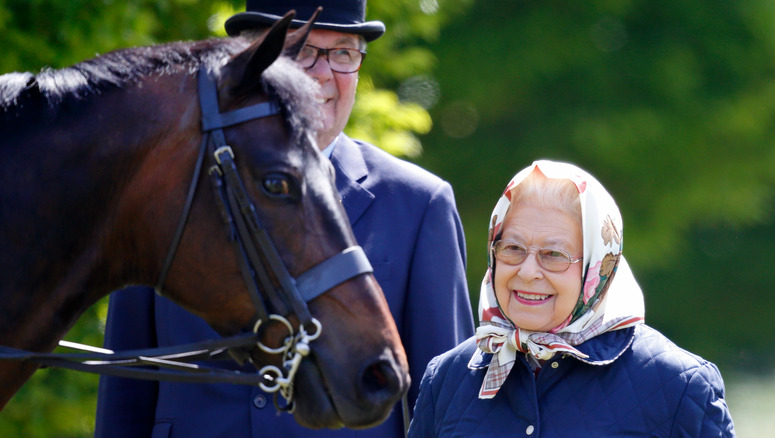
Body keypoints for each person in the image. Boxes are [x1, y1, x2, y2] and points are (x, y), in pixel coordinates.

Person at [94, 1, 474, 437]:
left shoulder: (419, 204)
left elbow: (446, 407)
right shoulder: (166, 191)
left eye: (344, 53)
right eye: (301, 52)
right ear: (253, 59)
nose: (323, 73)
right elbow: (126, 388)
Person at [407, 160, 736, 437]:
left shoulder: (679, 384)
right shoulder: (448, 376)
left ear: (597, 268)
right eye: (513, 249)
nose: (527, 271)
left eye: (553, 255)